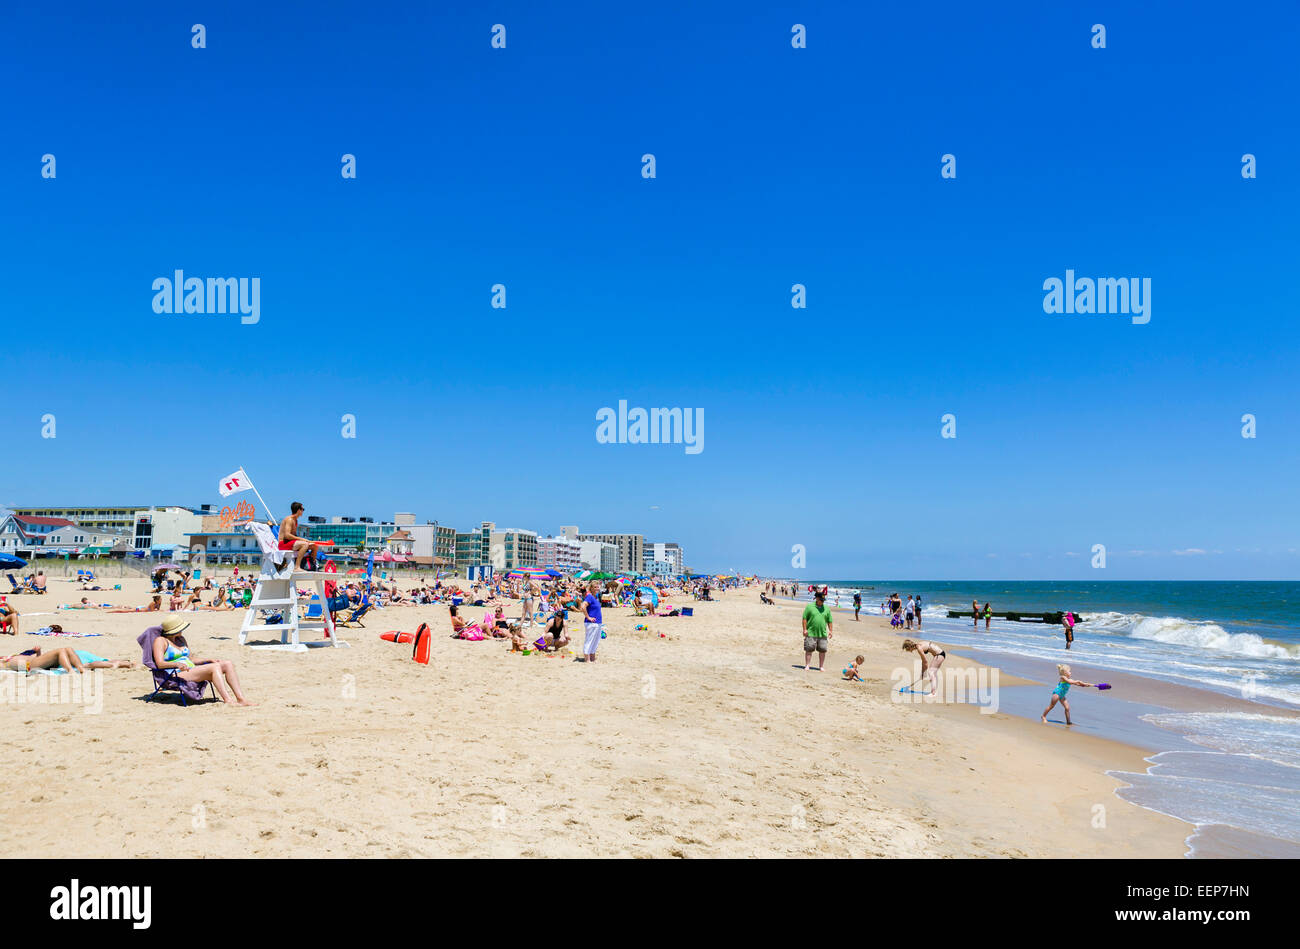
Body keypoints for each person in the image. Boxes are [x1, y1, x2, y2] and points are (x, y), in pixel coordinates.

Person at [151, 615, 255, 706]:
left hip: (190, 670)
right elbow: (160, 664)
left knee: (227, 664)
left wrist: (208, 659)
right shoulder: (160, 641)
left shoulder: (181, 639)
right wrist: (177, 664)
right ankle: (228, 700)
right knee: (214, 667)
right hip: (175, 674)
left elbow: (191, 659)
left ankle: (241, 699)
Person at [800, 589, 833, 672]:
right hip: (811, 632)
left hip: (822, 633)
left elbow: (830, 621)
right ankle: (807, 665)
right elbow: (804, 618)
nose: (822, 602)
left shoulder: (827, 608)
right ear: (816, 599)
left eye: (823, 600)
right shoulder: (809, 607)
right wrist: (804, 629)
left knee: (822, 650)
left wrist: (831, 631)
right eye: (821, 600)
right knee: (809, 649)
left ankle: (821, 666)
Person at [276, 502, 314, 573]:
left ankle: (312, 566)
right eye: (303, 509)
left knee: (314, 546)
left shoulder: (295, 520)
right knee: (304, 544)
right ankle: (297, 567)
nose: (303, 511)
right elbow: (287, 535)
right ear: (298, 510)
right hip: (283, 544)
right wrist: (302, 539)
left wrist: (306, 541)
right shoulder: (289, 519)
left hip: (290, 543)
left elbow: (294, 536)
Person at [579, 580, 603, 663]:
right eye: (595, 587)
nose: (597, 588)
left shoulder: (595, 597)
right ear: (591, 588)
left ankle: (592, 658)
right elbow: (583, 606)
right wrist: (588, 617)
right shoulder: (589, 597)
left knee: (595, 641)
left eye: (598, 587)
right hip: (591, 623)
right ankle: (587, 659)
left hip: (598, 622)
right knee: (589, 640)